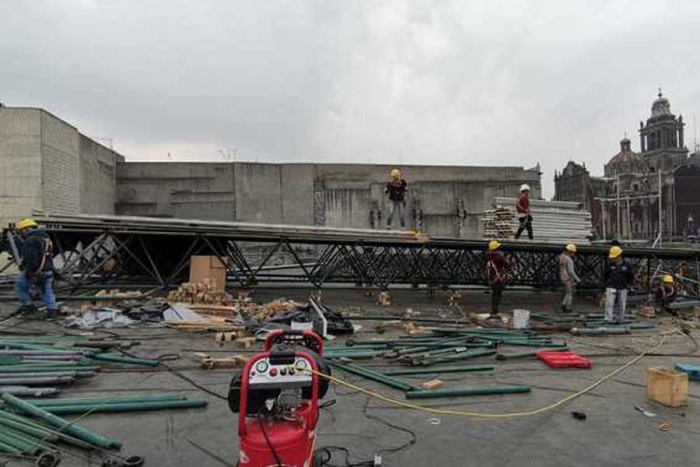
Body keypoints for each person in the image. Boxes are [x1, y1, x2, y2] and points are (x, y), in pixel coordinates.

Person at [13, 218, 58, 318]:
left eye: (22, 231)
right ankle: (52, 310)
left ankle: (28, 306)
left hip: (36, 271)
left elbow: (31, 259)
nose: (22, 234)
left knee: (19, 286)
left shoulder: (30, 240)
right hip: (48, 270)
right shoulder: (46, 239)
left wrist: (30, 273)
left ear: (26, 229)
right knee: (46, 290)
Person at [603, 246, 634, 323]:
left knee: (622, 304)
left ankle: (620, 318)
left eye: (614, 257)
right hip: (611, 286)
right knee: (609, 303)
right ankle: (608, 318)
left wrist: (629, 285)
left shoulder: (627, 265)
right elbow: (605, 275)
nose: (613, 259)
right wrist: (604, 285)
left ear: (619, 256)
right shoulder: (609, 265)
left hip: (622, 286)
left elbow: (630, 276)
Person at [486, 240, 510, 317]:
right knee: (498, 295)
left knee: (494, 294)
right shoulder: (499, 257)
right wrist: (506, 258)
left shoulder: (488, 256)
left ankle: (494, 310)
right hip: (498, 279)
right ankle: (494, 311)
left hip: (492, 278)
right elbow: (507, 266)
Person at [559, 243, 581, 313]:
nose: (574, 254)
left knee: (567, 293)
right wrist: (578, 279)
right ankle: (567, 307)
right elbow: (571, 272)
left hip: (562, 277)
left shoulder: (561, 257)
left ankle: (563, 305)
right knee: (569, 294)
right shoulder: (569, 260)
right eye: (573, 253)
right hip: (568, 278)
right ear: (569, 252)